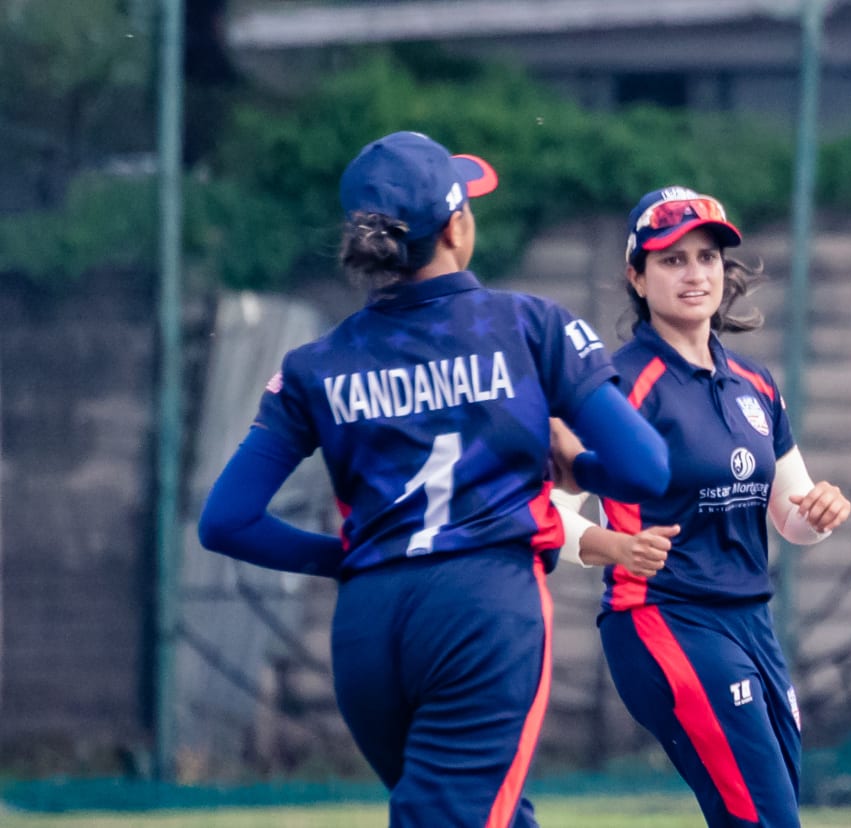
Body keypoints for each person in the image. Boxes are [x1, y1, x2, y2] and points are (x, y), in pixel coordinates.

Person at [196, 131, 672, 827]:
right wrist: (579, 467)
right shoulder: (528, 325)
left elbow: (226, 521)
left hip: (368, 628)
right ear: (456, 226)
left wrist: (352, 560)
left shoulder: (314, 364)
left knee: (486, 812)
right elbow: (646, 470)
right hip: (482, 612)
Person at [547, 186, 851, 828]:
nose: (695, 274)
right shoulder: (616, 386)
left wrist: (818, 512)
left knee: (764, 811)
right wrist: (616, 547)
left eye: (707, 258)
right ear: (636, 275)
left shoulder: (755, 383)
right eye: (673, 259)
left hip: (750, 624)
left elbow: (791, 518)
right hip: (663, 619)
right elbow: (544, 514)